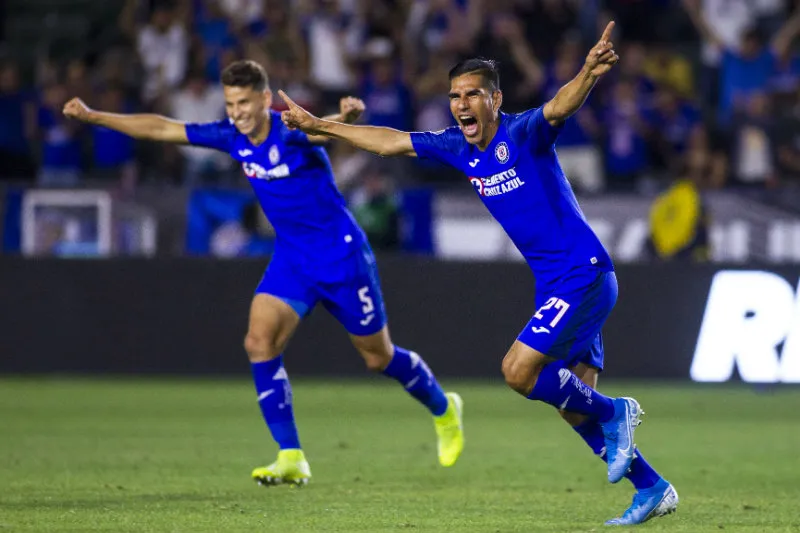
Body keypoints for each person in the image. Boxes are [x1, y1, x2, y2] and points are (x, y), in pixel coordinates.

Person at [278, 22, 678, 526]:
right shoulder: (456, 147)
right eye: (454, 96)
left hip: (584, 272)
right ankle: (651, 487)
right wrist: (322, 126)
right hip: (555, 282)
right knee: (572, 403)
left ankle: (617, 412)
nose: (461, 104)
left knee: (517, 371)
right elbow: (390, 142)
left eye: (472, 95)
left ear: (495, 99)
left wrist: (588, 74)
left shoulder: (523, 133)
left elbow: (560, 105)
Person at [62, 60, 464, 487]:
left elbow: (317, 131)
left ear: (264, 100)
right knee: (259, 340)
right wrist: (94, 117)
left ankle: (444, 408)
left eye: (244, 103)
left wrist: (342, 119)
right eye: (230, 103)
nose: (237, 112)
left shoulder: (289, 131)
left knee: (377, 357)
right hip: (292, 259)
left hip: (341, 258)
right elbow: (162, 127)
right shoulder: (231, 137)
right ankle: (291, 456)